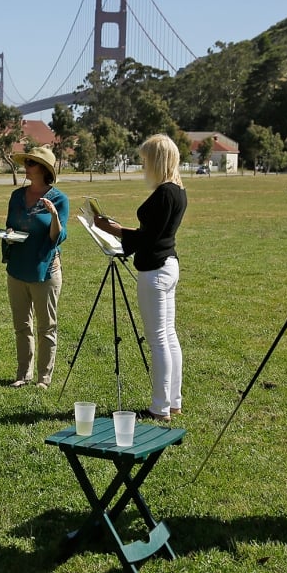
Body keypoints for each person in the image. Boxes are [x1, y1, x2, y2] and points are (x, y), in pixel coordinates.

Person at [94, 133, 187, 422]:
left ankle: (160, 407)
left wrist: (114, 230)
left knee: (159, 339)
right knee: (169, 337)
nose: (143, 164)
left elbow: (148, 237)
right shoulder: (178, 190)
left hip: (156, 270)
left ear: (158, 160)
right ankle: (173, 401)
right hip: (168, 264)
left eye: (146, 159)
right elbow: (154, 233)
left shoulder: (164, 193)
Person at [3, 145, 69, 389]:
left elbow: (56, 237)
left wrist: (53, 216)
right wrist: (8, 234)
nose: (26, 167)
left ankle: (44, 377)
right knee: (22, 325)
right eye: (27, 162)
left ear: (43, 169)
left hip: (45, 271)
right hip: (18, 269)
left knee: (46, 327)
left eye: (31, 163)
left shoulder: (59, 199)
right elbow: (10, 226)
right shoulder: (17, 196)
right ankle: (23, 374)